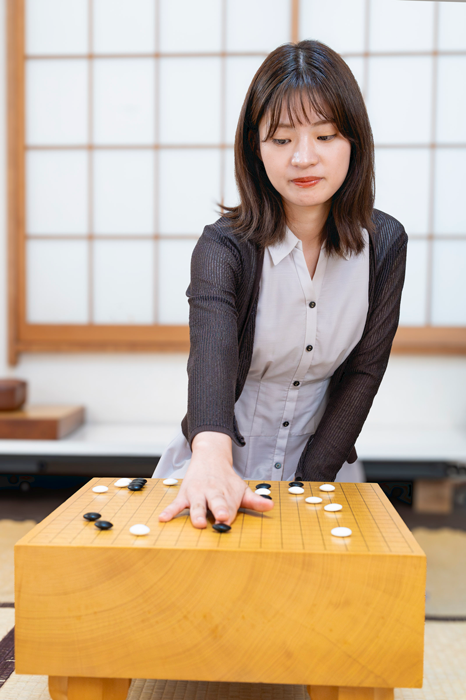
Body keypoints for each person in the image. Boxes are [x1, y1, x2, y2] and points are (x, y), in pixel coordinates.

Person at [153, 39, 407, 530]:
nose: (304, 158)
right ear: (256, 147)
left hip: (325, 466)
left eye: (326, 136)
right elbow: (212, 356)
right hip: (219, 460)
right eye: (282, 138)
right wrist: (209, 456)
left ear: (354, 142)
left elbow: (362, 374)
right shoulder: (223, 248)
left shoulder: (385, 244)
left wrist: (308, 484)